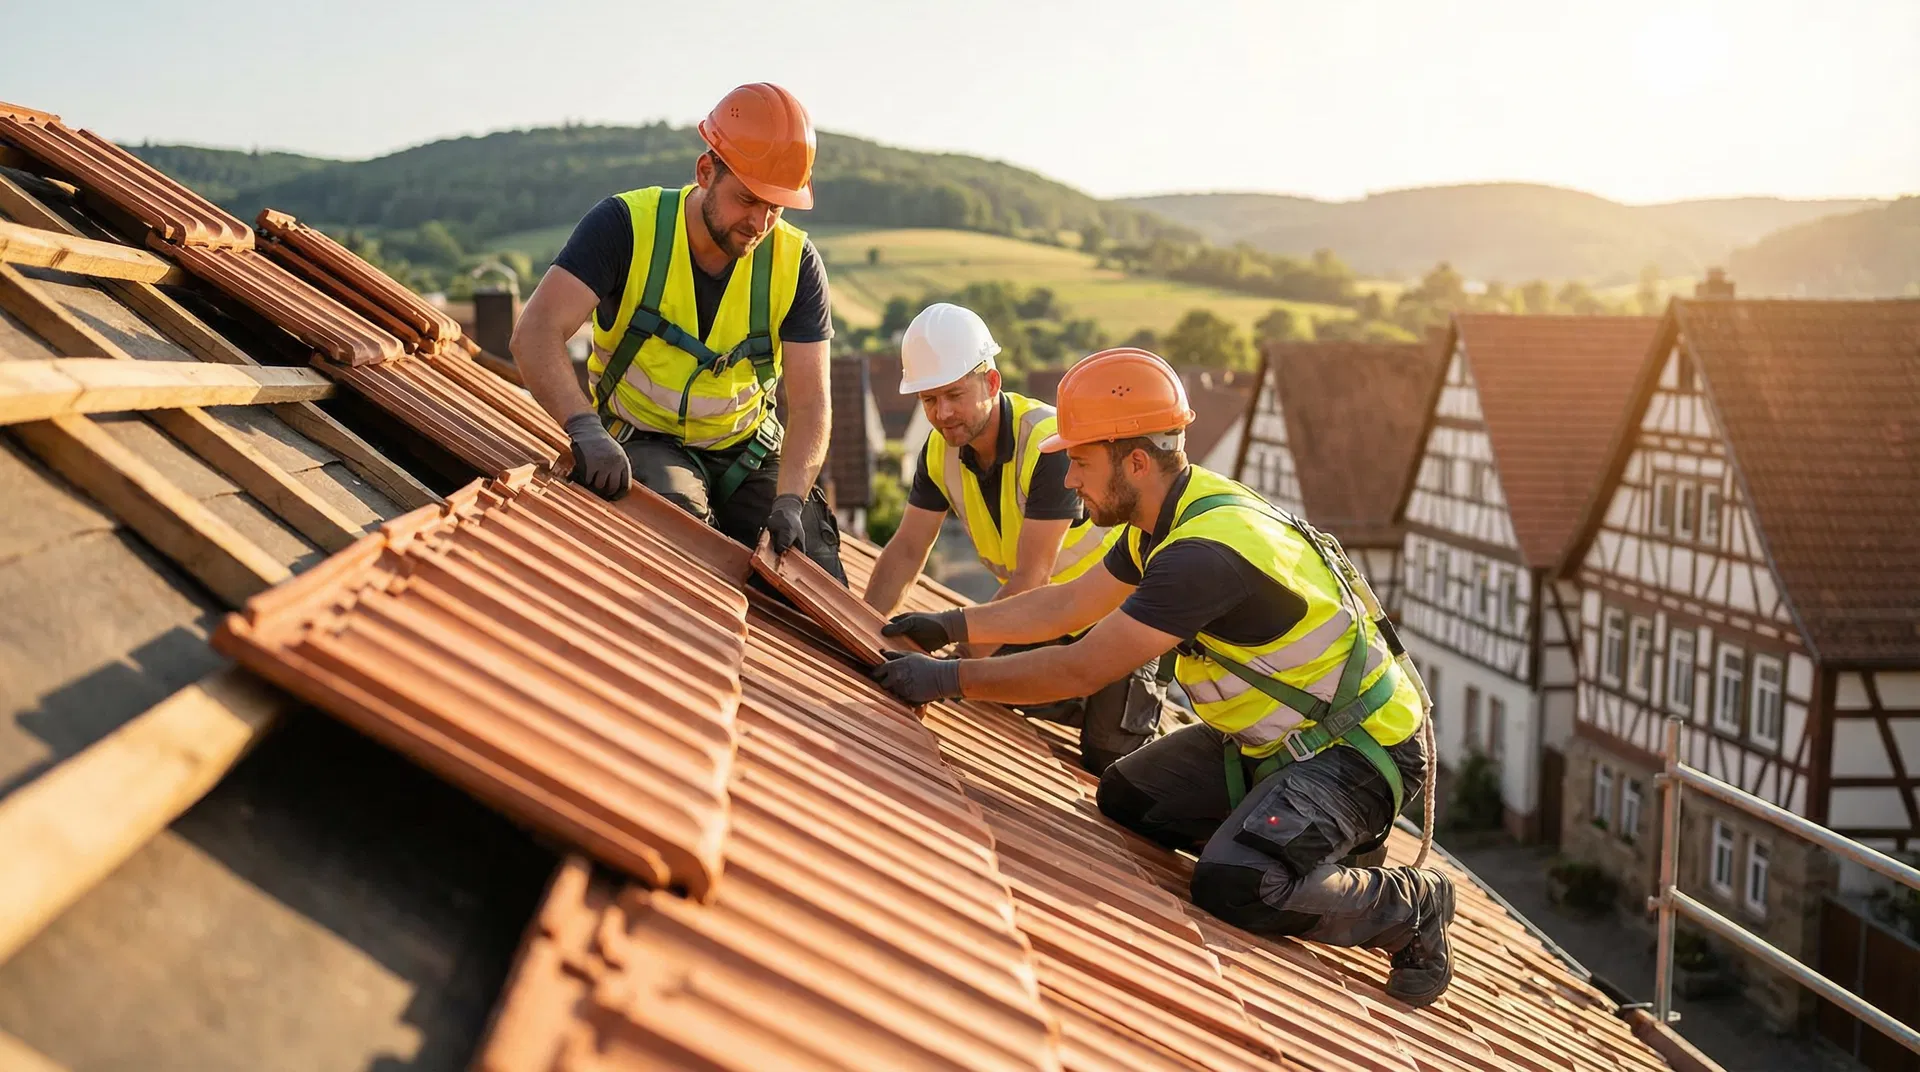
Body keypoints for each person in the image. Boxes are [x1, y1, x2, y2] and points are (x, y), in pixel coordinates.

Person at [870, 347, 1454, 1007]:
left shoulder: (1201, 554)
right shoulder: (1164, 520)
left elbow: (1083, 664)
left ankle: (1411, 906)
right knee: (1127, 797)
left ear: (1136, 461)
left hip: (1359, 752)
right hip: (1279, 745)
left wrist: (946, 682)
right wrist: (951, 626)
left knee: (1236, 882)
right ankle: (1297, 839)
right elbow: (1068, 603)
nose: (1072, 479)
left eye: (1082, 462)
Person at [511, 82, 843, 579]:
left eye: (776, 207)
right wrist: (584, 428)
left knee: (812, 573)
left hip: (746, 451)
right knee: (682, 554)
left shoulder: (796, 264)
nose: (760, 222)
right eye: (748, 199)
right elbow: (534, 333)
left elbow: (813, 404)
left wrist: (792, 497)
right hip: (645, 442)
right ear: (706, 171)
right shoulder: (624, 226)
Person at [863, 304, 1154, 772]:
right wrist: (865, 628)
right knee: (991, 689)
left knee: (1109, 761)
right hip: (1036, 620)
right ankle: (1070, 692)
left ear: (992, 383)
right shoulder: (940, 453)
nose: (943, 413)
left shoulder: (1048, 443)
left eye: (954, 395)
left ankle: (1111, 699)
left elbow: (1032, 577)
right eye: (929, 400)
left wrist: (948, 668)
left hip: (1118, 621)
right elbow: (907, 548)